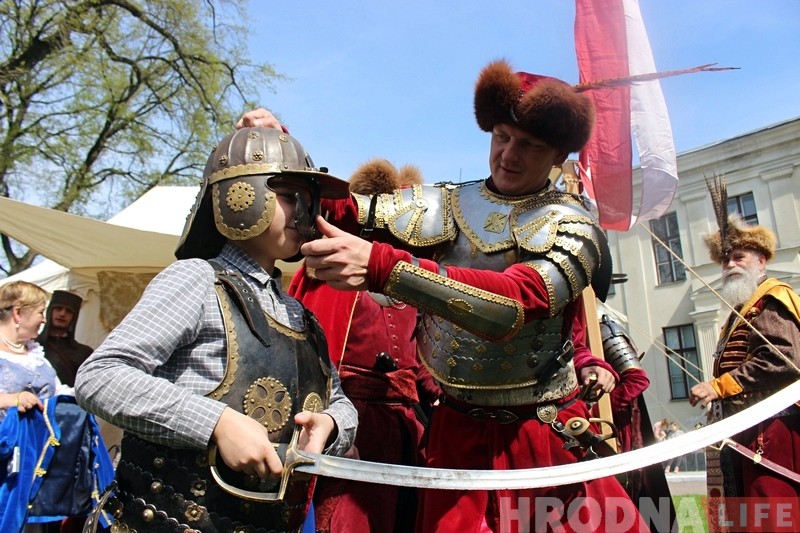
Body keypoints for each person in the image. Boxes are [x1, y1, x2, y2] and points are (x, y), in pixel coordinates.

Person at [240, 59, 648, 532]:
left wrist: (381, 266)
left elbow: (514, 304)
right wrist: (282, 146)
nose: (508, 155)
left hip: (540, 434)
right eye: (501, 136)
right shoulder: (446, 204)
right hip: (454, 434)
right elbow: (347, 209)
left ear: (558, 157)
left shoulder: (574, 227)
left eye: (529, 145)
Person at [74, 127, 358, 532]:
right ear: (241, 194)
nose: (304, 211)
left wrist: (329, 426)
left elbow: (340, 401)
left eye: (309, 199)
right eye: (289, 194)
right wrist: (216, 422)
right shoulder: (196, 280)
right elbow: (100, 376)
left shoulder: (301, 315)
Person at [288, 159, 439, 533]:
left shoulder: (411, 283)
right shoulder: (328, 274)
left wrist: (446, 395)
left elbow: (422, 362)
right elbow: (299, 355)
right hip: (346, 424)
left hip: (407, 432)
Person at [689, 213, 800, 501]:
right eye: (726, 260)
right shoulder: (743, 309)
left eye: (740, 257)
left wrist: (718, 386)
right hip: (748, 428)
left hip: (773, 428)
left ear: (761, 261)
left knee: (772, 515)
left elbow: (783, 360)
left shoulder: (772, 299)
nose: (730, 265)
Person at [1, 281, 112, 533]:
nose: (43, 319)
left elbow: (59, 391)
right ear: (18, 313)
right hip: (5, 458)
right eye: (41, 311)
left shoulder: (33, 353)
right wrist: (11, 399)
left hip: (37, 459)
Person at [37, 290, 93, 387]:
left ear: (73, 317)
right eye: (58, 309)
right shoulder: (33, 346)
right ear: (51, 311)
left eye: (68, 311)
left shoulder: (84, 352)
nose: (62, 314)